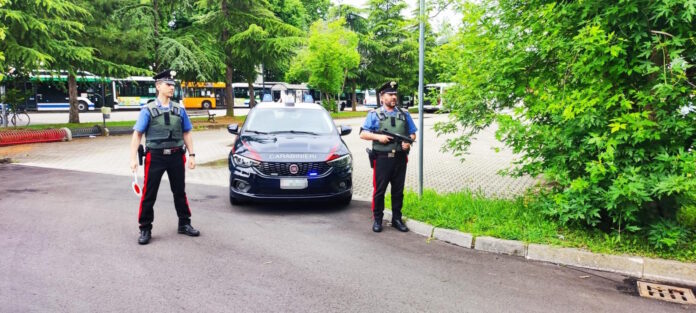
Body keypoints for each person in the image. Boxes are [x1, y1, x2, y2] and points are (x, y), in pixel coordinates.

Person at [129, 69, 200, 245]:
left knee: (179, 192)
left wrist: (192, 155)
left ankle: (184, 224)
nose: (171, 87)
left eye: (173, 85)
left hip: (176, 156)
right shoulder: (148, 110)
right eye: (168, 84)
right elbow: (137, 135)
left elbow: (187, 133)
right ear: (158, 86)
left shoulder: (179, 109)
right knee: (149, 194)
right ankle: (145, 228)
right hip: (155, 157)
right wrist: (132, 159)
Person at [359, 81, 418, 233]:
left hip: (400, 159)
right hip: (382, 159)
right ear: (382, 97)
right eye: (390, 95)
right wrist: (379, 138)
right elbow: (363, 133)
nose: (393, 97)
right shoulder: (374, 115)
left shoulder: (404, 114)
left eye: (395, 95)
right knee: (379, 190)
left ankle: (397, 219)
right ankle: (378, 219)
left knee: (398, 191)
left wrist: (407, 142)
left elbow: (412, 133)